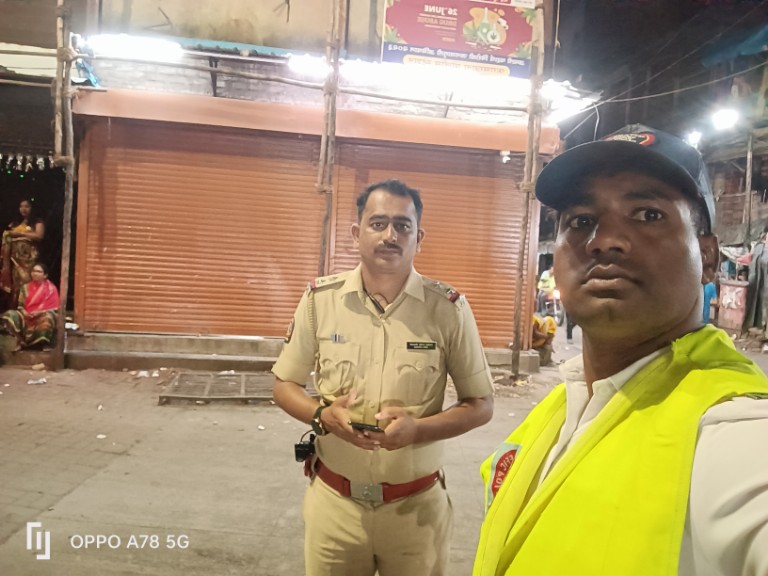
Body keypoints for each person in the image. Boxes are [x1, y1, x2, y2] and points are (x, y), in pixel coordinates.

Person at [473, 125, 768, 576]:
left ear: (708, 257)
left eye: (648, 214)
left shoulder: (732, 429)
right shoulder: (559, 411)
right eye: (581, 220)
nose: (603, 239)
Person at [273, 179, 494, 576]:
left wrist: (418, 430)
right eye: (377, 223)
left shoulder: (448, 309)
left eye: (402, 226)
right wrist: (322, 416)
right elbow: (284, 385)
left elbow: (481, 404)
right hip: (334, 507)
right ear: (356, 233)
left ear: (418, 237)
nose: (390, 235)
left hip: (417, 514)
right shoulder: (320, 301)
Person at [0, 262, 59, 351]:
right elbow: (20, 306)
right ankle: (20, 341)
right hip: (26, 316)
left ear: (45, 275)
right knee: (10, 314)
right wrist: (25, 313)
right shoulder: (25, 287)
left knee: (48, 317)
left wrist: (39, 312)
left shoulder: (51, 289)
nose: (35, 273)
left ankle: (41, 344)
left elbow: (54, 309)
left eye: (39, 272)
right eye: (33, 271)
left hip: (41, 316)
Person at [1, 199, 45, 309]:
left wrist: (19, 234)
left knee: (27, 283)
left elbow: (39, 236)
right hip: (15, 261)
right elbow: (7, 236)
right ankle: (15, 310)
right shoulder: (14, 224)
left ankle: (29, 309)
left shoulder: (37, 222)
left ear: (32, 208)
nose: (23, 209)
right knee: (15, 287)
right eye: (21, 206)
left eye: (27, 206)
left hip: (28, 261)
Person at [744, 229, 768, 336]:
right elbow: (750, 260)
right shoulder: (759, 247)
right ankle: (757, 325)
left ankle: (765, 329)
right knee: (758, 303)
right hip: (758, 284)